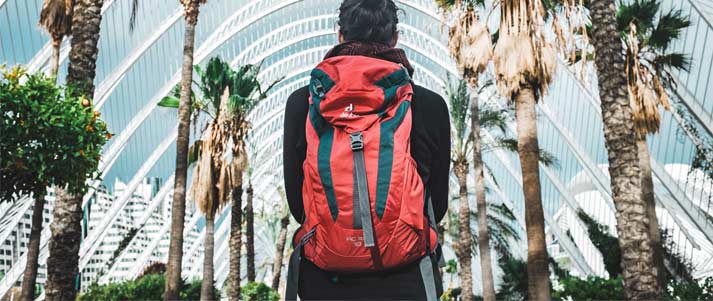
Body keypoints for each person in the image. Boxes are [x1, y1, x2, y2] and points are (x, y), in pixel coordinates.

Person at [282, 0, 451, 299]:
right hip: (406, 280)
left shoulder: (302, 103)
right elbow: (436, 206)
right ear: (395, 38)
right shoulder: (428, 105)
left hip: (325, 281)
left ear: (340, 35)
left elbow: (298, 206)